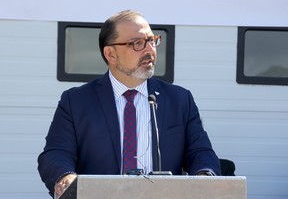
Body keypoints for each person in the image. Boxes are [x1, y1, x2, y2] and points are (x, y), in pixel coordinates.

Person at [38, 10, 221, 198]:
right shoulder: (76, 101)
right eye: (138, 43)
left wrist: (204, 177)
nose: (150, 50)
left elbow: (200, 152)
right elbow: (56, 153)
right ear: (111, 54)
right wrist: (65, 177)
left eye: (152, 41)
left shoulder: (180, 99)